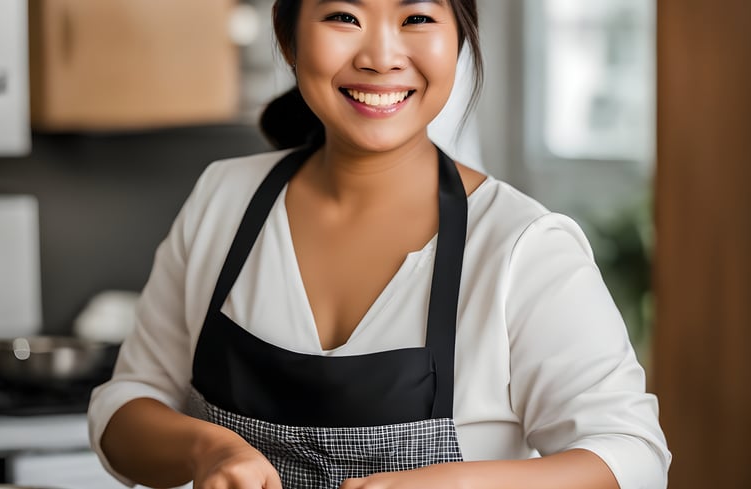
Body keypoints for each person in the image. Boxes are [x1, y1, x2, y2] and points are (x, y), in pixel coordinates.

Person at [88, 1, 671, 488]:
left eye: (417, 18)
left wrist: (456, 481)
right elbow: (127, 403)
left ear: (461, 41)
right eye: (344, 16)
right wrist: (207, 451)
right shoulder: (224, 197)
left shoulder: (523, 245)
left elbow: (634, 455)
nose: (381, 57)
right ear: (288, 39)